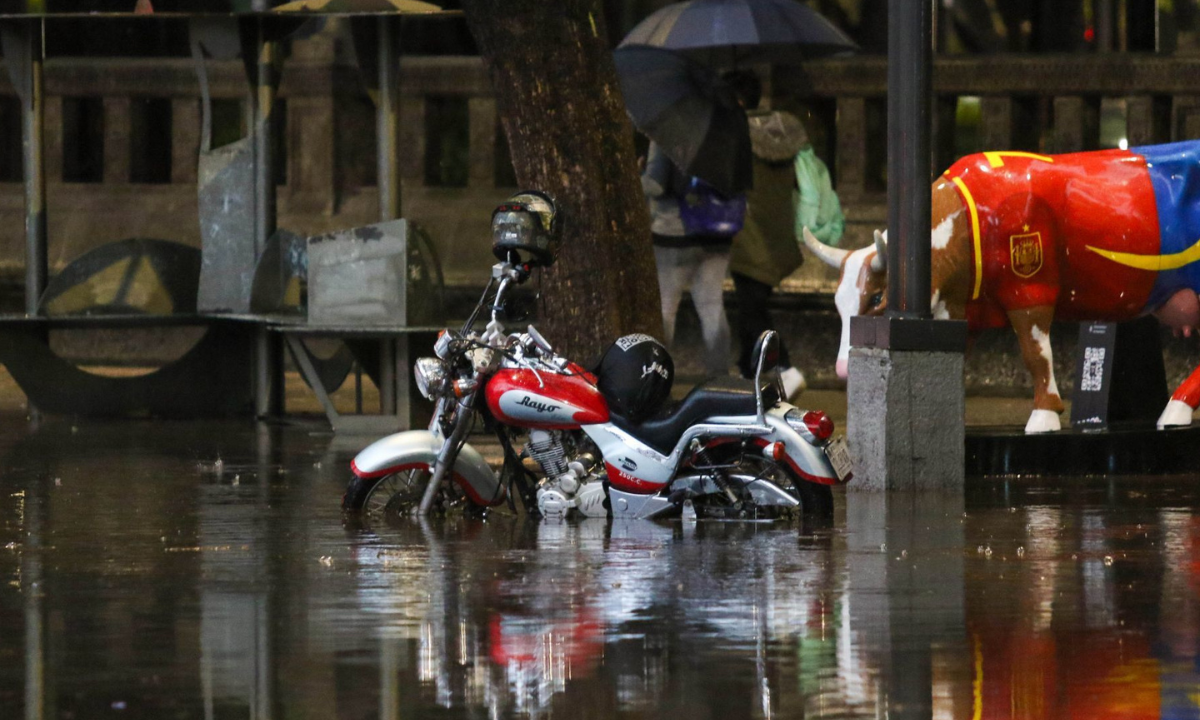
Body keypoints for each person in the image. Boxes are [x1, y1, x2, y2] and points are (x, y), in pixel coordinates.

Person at [728, 82, 844, 398]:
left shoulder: (736, 138)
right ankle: (744, 371)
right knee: (749, 307)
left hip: (749, 237)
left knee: (753, 311)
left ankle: (786, 368)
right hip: (776, 236)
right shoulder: (781, 134)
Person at [641, 141, 734, 378]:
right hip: (716, 233)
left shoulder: (667, 133)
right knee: (712, 306)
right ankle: (720, 377)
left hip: (674, 233)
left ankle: (656, 376)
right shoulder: (722, 134)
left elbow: (656, 185)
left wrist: (638, 175)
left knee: (665, 306)